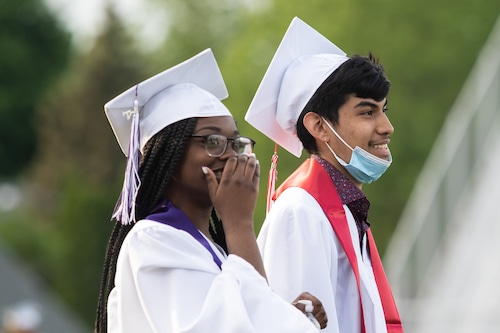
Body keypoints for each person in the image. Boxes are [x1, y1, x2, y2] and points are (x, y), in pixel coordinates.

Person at [94, 48, 327, 333]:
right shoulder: (153, 241)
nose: (231, 156)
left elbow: (252, 320)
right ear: (171, 153)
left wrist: (287, 317)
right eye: (213, 141)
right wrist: (239, 222)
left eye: (236, 142)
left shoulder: (213, 250)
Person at [245, 17, 404, 333]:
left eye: (385, 110)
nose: (387, 127)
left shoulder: (346, 209)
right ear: (319, 126)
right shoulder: (300, 213)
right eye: (367, 112)